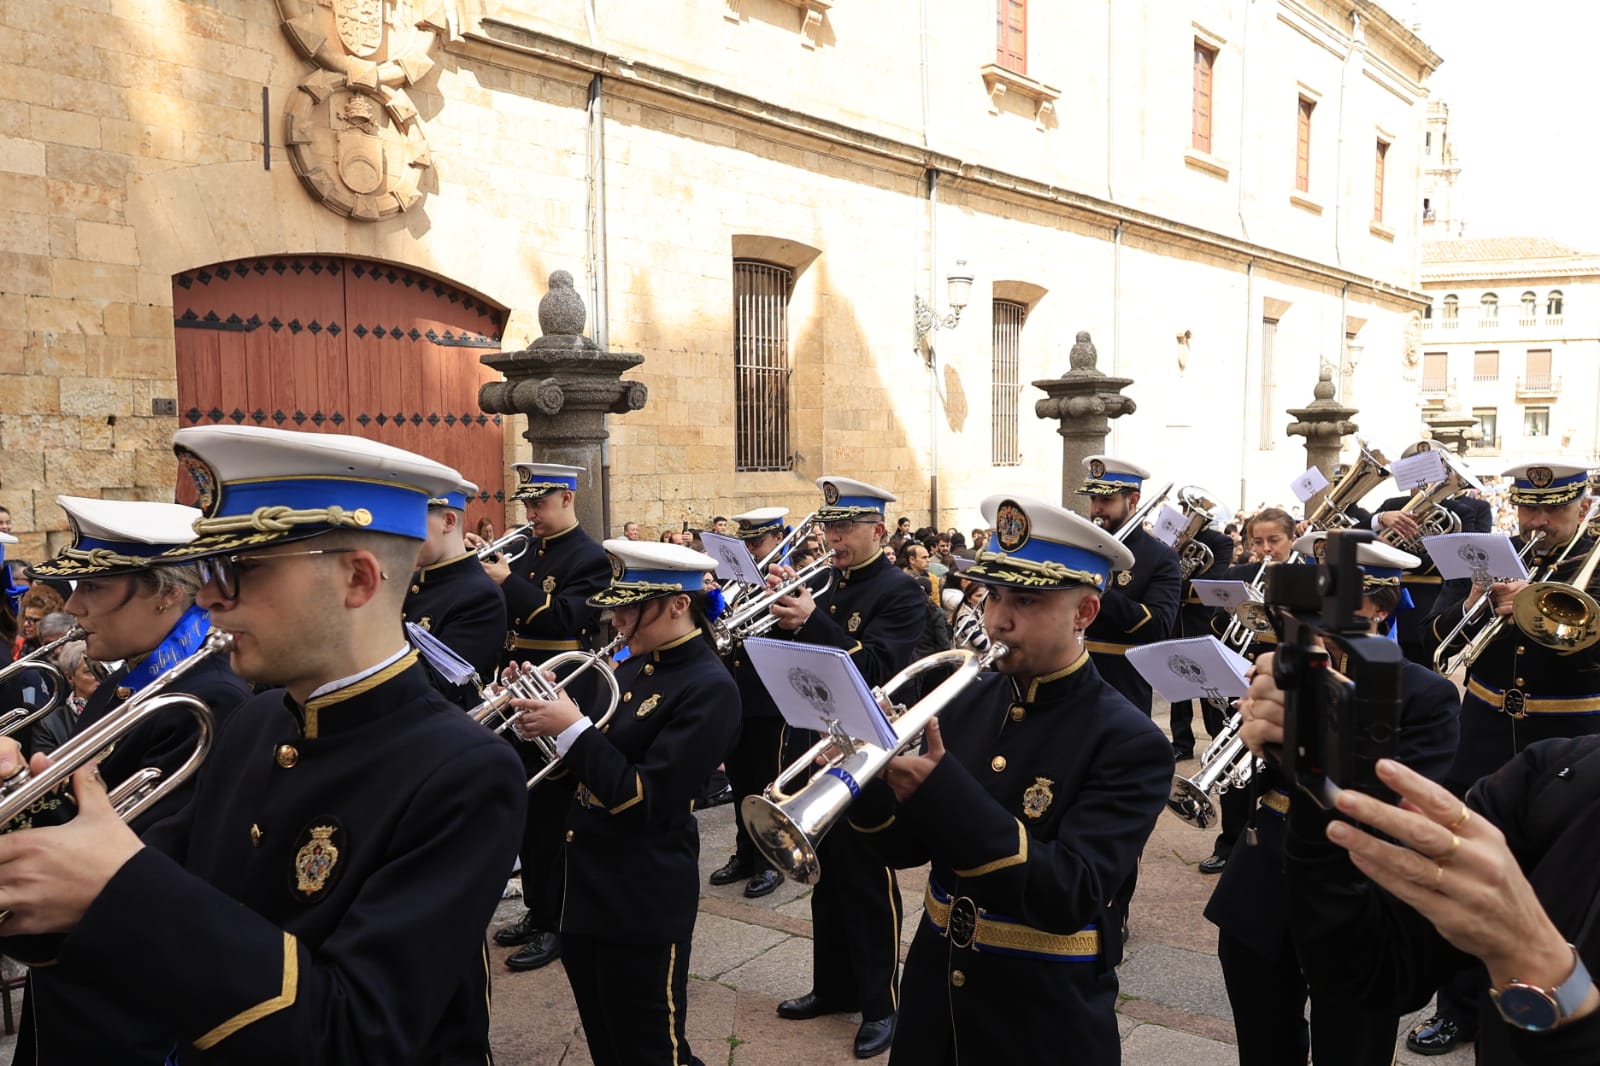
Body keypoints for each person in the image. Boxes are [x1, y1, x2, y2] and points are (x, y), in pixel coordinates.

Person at [0, 425, 528, 1063]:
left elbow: (357, 1037)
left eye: (239, 569)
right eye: (208, 570)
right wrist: (35, 839)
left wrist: (123, 882)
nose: (209, 596)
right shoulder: (254, 724)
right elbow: (134, 900)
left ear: (358, 580)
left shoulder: (464, 771)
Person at [847, 494, 1173, 1064]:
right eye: (994, 595)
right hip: (934, 981)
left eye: (1026, 601)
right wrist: (867, 777)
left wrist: (943, 791)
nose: (997, 618)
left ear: (1084, 614)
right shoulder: (971, 697)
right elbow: (906, 849)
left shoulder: (1130, 741)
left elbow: (1071, 894)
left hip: (1040, 1008)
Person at [4, 495, 254, 1063]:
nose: (73, 607)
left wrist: (21, 788)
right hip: (79, 981)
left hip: (132, 999)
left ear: (168, 591)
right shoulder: (135, 681)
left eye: (95, 587)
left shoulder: (205, 698)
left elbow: (136, 864)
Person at [1238, 679, 1600, 1063]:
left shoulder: (1427, 694)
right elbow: (1373, 972)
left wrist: (1540, 965)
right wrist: (1321, 785)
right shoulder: (1553, 773)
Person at [1204, 533, 1462, 1066]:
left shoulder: (1424, 693)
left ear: (1380, 608)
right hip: (1263, 880)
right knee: (1262, 1041)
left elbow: (1401, 800)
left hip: (1360, 890)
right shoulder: (1284, 668)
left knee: (1354, 1048)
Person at [510, 539, 740, 1066]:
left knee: (653, 1049)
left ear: (678, 604)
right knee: (606, 1041)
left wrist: (572, 731)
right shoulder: (632, 663)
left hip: (640, 897)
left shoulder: (709, 687)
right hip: (586, 885)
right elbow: (588, 764)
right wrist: (540, 715)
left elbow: (644, 798)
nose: (617, 622)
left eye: (631, 609)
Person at [1408, 460, 1600, 1054]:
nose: (1539, 522)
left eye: (1554, 510)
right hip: (1487, 727)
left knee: (1561, 871)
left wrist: (1531, 607)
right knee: (1467, 865)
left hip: (1570, 732)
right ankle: (1460, 1004)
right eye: (1530, 508)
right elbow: (1434, 636)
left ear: (1582, 507)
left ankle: (1559, 994)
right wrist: (1467, 602)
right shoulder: (1491, 553)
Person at [767, 475, 926, 1059]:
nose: (833, 537)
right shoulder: (827, 584)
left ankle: (882, 1003)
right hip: (814, 746)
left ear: (879, 532)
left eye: (846, 527)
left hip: (866, 756)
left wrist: (811, 621)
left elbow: (880, 664)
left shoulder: (901, 591)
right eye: (829, 526)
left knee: (865, 881)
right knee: (823, 878)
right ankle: (833, 987)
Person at [469, 461, 611, 973]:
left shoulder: (592, 556)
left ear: (567, 499)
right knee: (524, 809)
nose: (531, 514)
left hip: (561, 688)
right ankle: (536, 907)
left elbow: (567, 618)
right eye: (526, 504)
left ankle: (558, 921)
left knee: (554, 815)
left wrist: (509, 582)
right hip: (514, 683)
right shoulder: (526, 547)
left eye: (539, 504)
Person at [1199, 506, 1301, 874]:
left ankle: (1278, 839)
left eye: (1274, 540)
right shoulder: (1241, 574)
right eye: (1258, 541)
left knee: (1282, 764)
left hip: (1288, 679)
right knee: (1233, 771)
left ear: (1291, 538)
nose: (1266, 548)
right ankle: (1230, 844)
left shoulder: (1307, 575)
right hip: (1242, 677)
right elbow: (1215, 623)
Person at [710, 506, 795, 899]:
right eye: (745, 543)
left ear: (778, 538)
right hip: (736, 693)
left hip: (770, 698)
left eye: (757, 542)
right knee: (741, 778)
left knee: (766, 782)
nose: (751, 550)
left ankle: (771, 860)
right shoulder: (739, 581)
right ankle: (745, 853)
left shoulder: (791, 579)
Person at [1371, 441, 1495, 668]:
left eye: (1429, 471)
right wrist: (1380, 519)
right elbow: (1356, 539)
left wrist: (1392, 554)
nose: (1423, 481)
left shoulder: (1461, 511)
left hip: (1431, 602)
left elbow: (1459, 559)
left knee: (1425, 677)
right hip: (1388, 600)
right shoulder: (1391, 506)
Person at [1077, 456, 1182, 715]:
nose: (1096, 509)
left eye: (1106, 500)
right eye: (1093, 500)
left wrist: (1103, 589)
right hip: (1070, 673)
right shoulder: (1078, 547)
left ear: (1133, 500)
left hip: (1122, 682)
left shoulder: (1159, 556)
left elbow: (1158, 626)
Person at [404, 479, 507, 708]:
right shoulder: (413, 582)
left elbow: (440, 687)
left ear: (448, 521)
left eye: (412, 522)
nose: (404, 534)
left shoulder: (480, 597)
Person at [1168, 509, 1237, 761]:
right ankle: (1181, 742)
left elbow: (1213, 580)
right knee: (1177, 683)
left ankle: (1218, 738)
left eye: (1192, 513)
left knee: (1211, 684)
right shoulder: (1173, 541)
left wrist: (1176, 584)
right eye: (1185, 511)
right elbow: (1162, 577)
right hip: (1177, 619)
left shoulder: (1220, 542)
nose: (1187, 516)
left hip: (1205, 619)